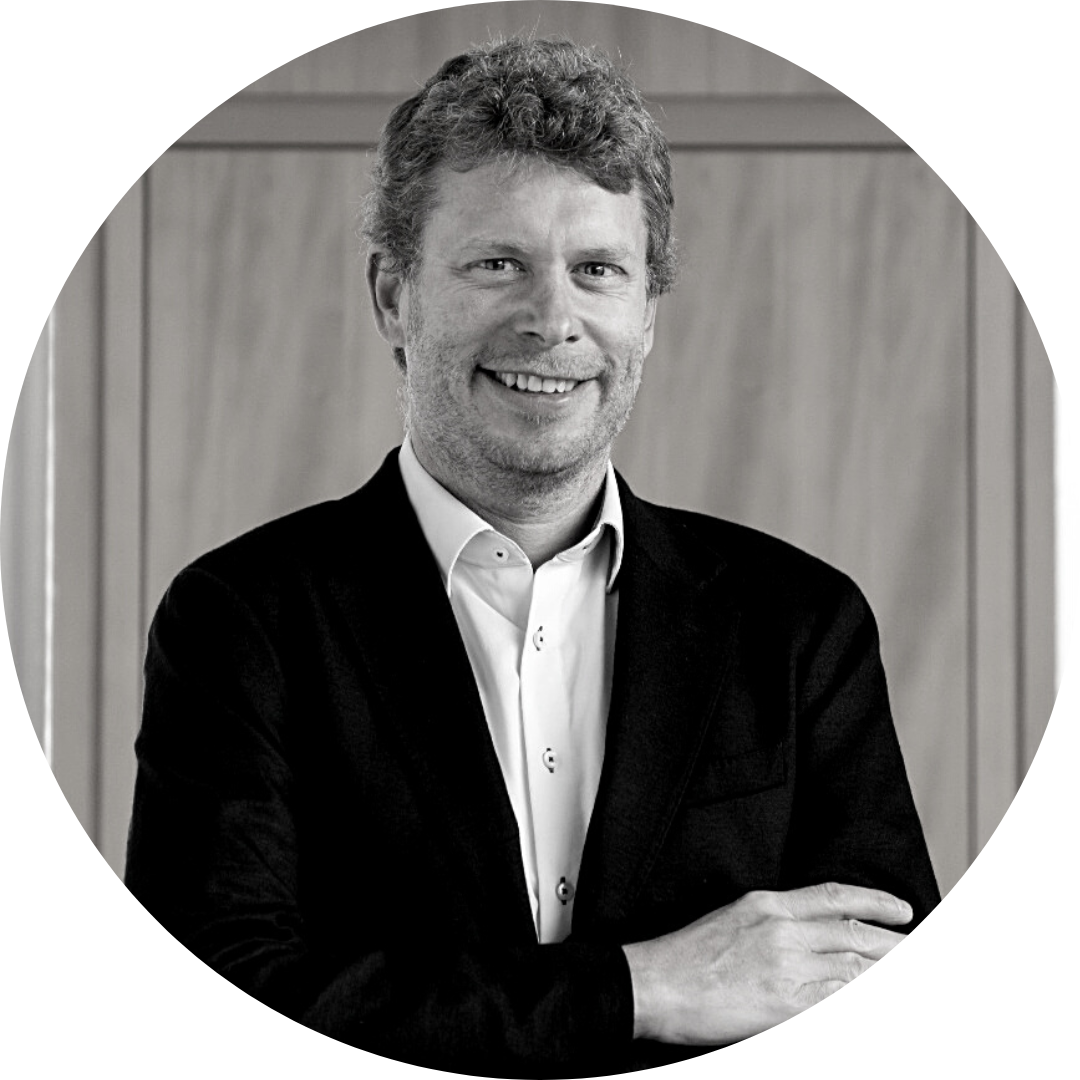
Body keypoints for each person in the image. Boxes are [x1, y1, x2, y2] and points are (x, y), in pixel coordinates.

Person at [125, 36, 939, 1068]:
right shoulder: (242, 619)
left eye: (597, 271)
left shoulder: (800, 622)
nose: (553, 321)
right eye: (497, 264)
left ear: (647, 312)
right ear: (393, 297)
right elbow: (228, 977)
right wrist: (640, 989)